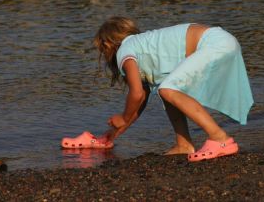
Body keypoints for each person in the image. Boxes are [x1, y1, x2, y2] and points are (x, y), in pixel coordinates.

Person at [94, 16, 253, 161]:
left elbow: (135, 94)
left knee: (167, 89)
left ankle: (220, 139)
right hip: (221, 40)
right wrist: (110, 136)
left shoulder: (124, 49)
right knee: (166, 90)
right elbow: (140, 99)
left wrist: (123, 117)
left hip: (213, 43)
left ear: (107, 45)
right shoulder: (142, 48)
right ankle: (184, 145)